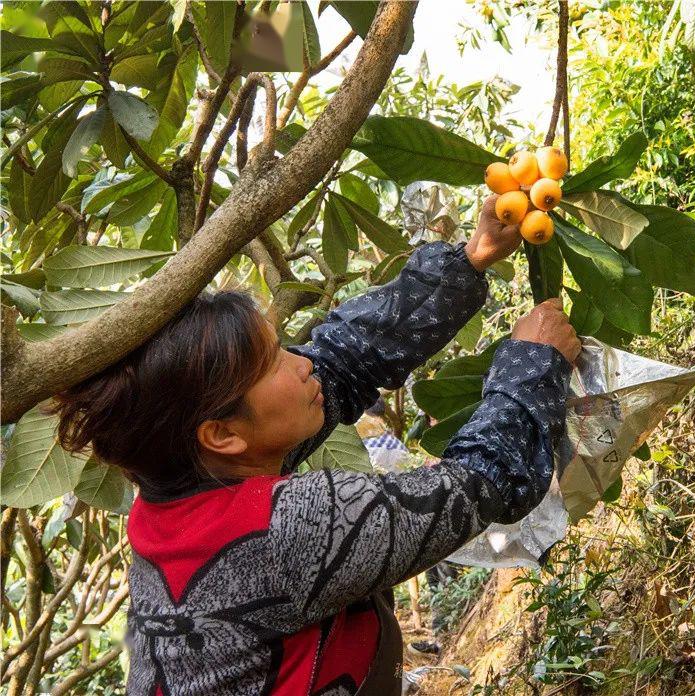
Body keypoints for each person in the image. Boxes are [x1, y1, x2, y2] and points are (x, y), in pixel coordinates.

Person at [49, 195, 581, 696]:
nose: (302, 362)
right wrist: (533, 362)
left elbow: (342, 361)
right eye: (274, 361)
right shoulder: (285, 531)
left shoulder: (179, 495)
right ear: (223, 434)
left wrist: (472, 257)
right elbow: (481, 484)